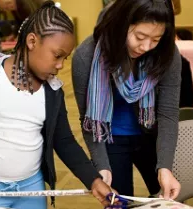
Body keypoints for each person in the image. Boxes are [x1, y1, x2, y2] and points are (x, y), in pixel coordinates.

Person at [0, 1, 115, 209]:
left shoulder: (53, 91)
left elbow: (64, 141)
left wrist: (94, 179)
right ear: (32, 41)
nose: (60, 65)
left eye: (65, 58)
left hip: (31, 188)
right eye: (57, 56)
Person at [72, 0, 182, 199]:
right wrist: (102, 166)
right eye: (140, 36)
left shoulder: (167, 54)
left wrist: (165, 166)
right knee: (119, 202)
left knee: (169, 198)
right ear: (121, 24)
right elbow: (87, 119)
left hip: (152, 136)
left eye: (156, 39)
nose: (146, 47)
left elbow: (168, 113)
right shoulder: (85, 56)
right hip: (110, 138)